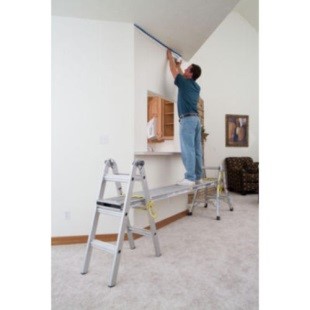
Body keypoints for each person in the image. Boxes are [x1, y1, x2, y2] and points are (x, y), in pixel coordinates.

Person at [167, 49, 203, 186]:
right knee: (196, 149)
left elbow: (173, 71)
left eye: (187, 69)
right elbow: (181, 75)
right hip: (196, 120)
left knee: (188, 148)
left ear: (191, 73)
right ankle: (198, 177)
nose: (185, 70)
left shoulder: (184, 82)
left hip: (187, 120)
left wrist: (170, 58)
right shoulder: (196, 86)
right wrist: (179, 66)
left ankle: (189, 178)